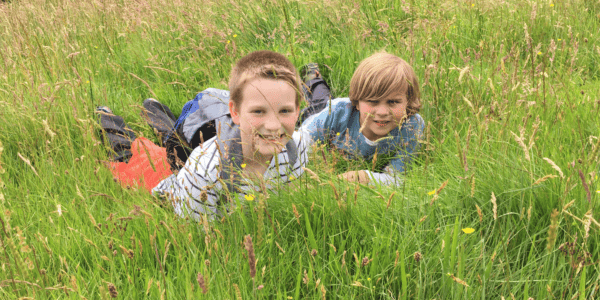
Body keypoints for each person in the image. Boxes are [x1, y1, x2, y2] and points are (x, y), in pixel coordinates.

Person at [151, 50, 310, 221]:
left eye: (284, 111)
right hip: (188, 163)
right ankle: (153, 110)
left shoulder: (297, 146)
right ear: (234, 111)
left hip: (235, 130)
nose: (273, 126)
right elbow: (201, 241)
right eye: (258, 111)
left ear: (297, 112)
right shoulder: (202, 173)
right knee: (167, 140)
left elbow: (288, 197)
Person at [300, 51, 425, 185]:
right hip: (320, 112)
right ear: (357, 102)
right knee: (319, 99)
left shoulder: (412, 126)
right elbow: (297, 144)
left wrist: (365, 177)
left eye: (393, 102)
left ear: (408, 101)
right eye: (373, 101)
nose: (382, 112)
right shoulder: (336, 112)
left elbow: (397, 179)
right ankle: (312, 74)